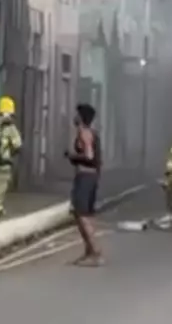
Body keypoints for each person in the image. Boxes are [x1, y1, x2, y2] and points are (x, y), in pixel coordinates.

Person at [64, 103, 103, 266]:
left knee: (81, 215)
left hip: (85, 177)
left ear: (81, 117)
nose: (74, 117)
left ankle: (95, 253)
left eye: (77, 114)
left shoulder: (84, 133)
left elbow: (89, 156)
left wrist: (72, 156)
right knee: (86, 214)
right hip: (92, 177)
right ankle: (89, 252)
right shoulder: (92, 133)